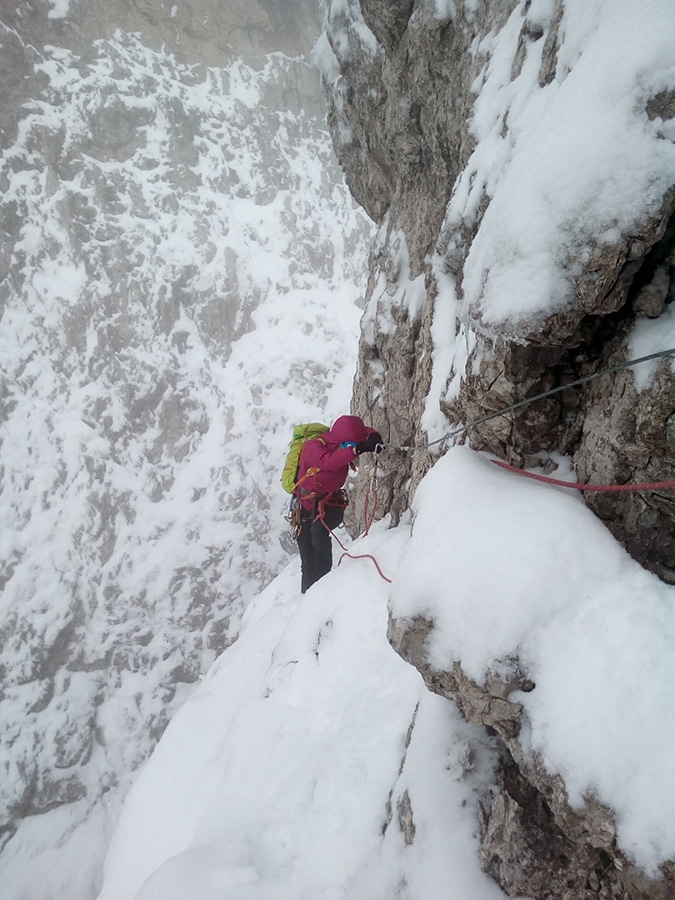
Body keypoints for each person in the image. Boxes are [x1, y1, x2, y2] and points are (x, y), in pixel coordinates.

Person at [294, 415, 383, 593]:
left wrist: (373, 437)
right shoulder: (314, 447)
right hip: (305, 508)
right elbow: (327, 462)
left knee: (319, 536)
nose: (350, 448)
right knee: (308, 560)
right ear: (340, 440)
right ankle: (307, 598)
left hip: (329, 504)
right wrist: (357, 449)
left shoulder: (345, 440)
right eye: (348, 444)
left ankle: (323, 587)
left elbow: (363, 432)